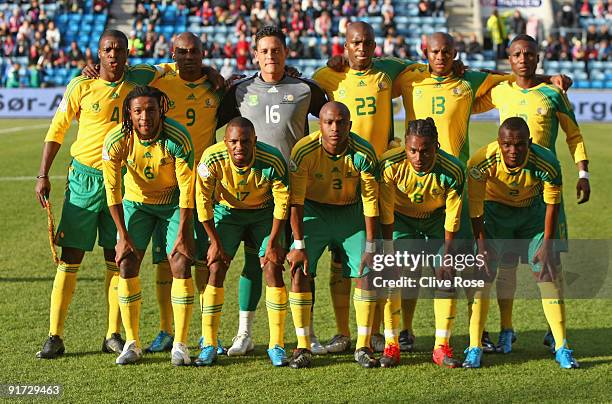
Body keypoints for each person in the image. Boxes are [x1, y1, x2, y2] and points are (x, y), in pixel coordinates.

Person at [34, 30, 165, 360]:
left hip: (122, 181)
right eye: (108, 49)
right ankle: (55, 335)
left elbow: (173, 67)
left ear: (127, 53)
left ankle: (113, 334)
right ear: (98, 53)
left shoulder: (139, 78)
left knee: (117, 258)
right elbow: (57, 130)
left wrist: (209, 72)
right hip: (84, 179)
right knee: (71, 258)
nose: (113, 54)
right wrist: (43, 174)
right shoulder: (81, 85)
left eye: (119, 49)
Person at [473, 34, 589, 354]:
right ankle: (507, 330)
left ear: (538, 57)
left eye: (529, 54)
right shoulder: (500, 91)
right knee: (507, 264)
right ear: (509, 59)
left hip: (543, 188)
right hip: (506, 193)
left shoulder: (553, 93)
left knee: (549, 263)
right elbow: (467, 93)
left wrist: (583, 173)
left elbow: (574, 134)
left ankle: (556, 332)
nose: (523, 58)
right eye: (516, 54)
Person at [216, 26, 328, 357]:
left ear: (285, 53)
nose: (270, 56)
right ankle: (245, 333)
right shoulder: (240, 90)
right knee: (256, 263)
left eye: (276, 50)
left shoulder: (305, 89)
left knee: (300, 264)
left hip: (294, 193)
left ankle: (307, 335)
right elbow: (214, 125)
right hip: (252, 192)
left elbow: (333, 117)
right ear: (255, 55)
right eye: (264, 51)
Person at [313, 21, 419, 357]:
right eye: (355, 43)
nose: (362, 49)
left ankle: (375, 333)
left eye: (368, 43)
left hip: (380, 177)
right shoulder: (327, 75)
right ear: (345, 46)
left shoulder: (390, 71)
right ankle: (344, 332)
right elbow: (298, 89)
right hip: (342, 178)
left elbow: (431, 67)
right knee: (341, 260)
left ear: (376, 46)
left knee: (380, 257)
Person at [465, 117, 579, 369]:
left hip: (532, 216)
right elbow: (474, 209)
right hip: (494, 216)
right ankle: (476, 346)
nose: (513, 151)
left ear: (529, 142)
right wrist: (481, 245)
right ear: (499, 143)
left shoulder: (547, 160)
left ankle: (562, 346)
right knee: (483, 274)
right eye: (507, 145)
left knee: (546, 273)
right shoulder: (479, 162)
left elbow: (553, 204)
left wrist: (548, 243)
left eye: (519, 145)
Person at [143, 32, 226, 355]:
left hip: (203, 183)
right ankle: (167, 329)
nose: (188, 56)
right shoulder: (160, 82)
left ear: (203, 53)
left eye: (194, 52)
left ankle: (209, 334)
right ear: (172, 53)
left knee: (205, 258)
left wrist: (214, 74)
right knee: (167, 258)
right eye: (181, 52)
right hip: (165, 183)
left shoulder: (216, 87)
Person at [102, 86, 195, 366]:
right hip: (136, 202)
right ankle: (132, 343)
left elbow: (187, 190)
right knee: (127, 261)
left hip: (173, 203)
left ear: (161, 110)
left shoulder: (178, 137)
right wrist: (122, 234)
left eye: (151, 109)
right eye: (138, 110)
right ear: (129, 114)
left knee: (179, 260)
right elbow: (112, 189)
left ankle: (180, 344)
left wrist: (182, 234)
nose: (145, 116)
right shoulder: (117, 139)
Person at [287, 101, 382, 368]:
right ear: (320, 125)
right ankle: (303, 346)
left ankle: (363, 346)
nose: (335, 128)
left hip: (350, 214)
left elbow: (370, 202)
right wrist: (298, 243)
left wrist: (372, 246)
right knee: (299, 268)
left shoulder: (363, 152)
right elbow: (295, 201)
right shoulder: (304, 150)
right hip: (314, 213)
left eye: (341, 122)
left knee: (367, 269)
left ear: (350, 125)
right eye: (329, 122)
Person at [194, 117, 291, 367]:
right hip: (227, 213)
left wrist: (272, 240)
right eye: (233, 141)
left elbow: (282, 202)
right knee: (215, 266)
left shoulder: (272, 160)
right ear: (225, 142)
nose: (239, 147)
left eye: (245, 141)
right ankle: (208, 342)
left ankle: (276, 344)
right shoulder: (211, 158)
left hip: (263, 213)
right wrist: (214, 241)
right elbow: (203, 201)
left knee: (271, 266)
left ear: (255, 142)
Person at [379, 118, 465, 368]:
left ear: (436, 147)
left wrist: (448, 255)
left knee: (447, 275)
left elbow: (453, 217)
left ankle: (441, 346)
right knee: (397, 275)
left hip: (436, 222)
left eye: (426, 150)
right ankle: (392, 345)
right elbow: (385, 212)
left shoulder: (453, 170)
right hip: (402, 222)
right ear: (405, 147)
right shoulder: (390, 165)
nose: (419, 156)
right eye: (413, 150)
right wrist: (387, 252)